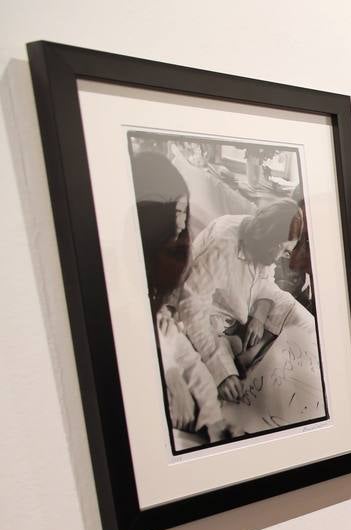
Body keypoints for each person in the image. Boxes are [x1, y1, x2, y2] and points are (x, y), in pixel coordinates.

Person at [175, 197, 323, 423]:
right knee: (224, 392)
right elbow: (193, 308)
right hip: (211, 318)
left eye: (287, 252)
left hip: (247, 305)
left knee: (306, 325)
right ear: (270, 241)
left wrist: (260, 313)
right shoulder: (223, 243)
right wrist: (222, 372)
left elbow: (264, 280)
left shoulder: (261, 236)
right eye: (283, 251)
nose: (283, 257)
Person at [131, 151, 236, 445]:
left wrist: (214, 420)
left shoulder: (161, 310)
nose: (184, 238)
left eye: (184, 225)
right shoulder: (128, 310)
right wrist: (172, 375)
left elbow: (189, 359)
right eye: (173, 230)